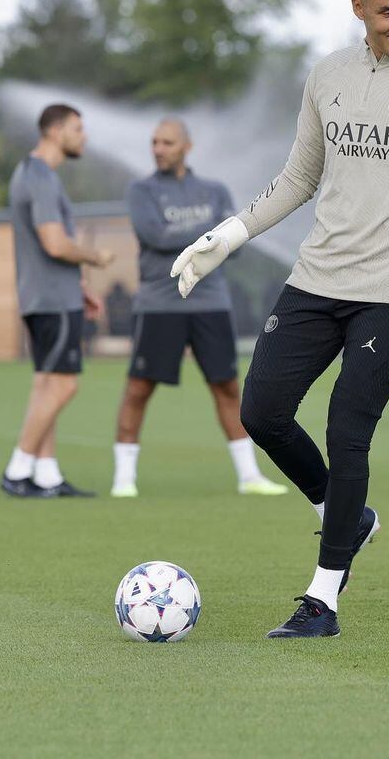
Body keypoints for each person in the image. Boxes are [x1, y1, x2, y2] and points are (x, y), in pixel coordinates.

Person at [170, 0, 389, 638]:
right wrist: (227, 235)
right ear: (358, 10)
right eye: (388, 12)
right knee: (261, 411)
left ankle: (323, 598)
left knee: (348, 428)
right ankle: (347, 516)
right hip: (316, 280)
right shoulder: (327, 76)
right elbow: (298, 178)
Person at [110, 118, 286, 498]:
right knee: (139, 388)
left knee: (226, 387)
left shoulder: (214, 190)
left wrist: (214, 238)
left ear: (186, 146)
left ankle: (249, 476)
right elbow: (154, 235)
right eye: (154, 142)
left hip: (210, 304)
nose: (158, 148)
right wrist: (210, 232)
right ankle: (123, 480)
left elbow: (232, 246)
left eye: (167, 142)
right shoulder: (141, 190)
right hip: (158, 306)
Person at [0, 104, 112, 498]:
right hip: (51, 299)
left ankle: (45, 475)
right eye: (78, 128)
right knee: (63, 388)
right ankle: (18, 469)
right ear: (55, 131)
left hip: (47, 296)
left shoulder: (31, 173)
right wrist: (95, 257)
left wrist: (81, 288)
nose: (83, 136)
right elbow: (54, 243)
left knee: (46, 385)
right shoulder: (40, 177)